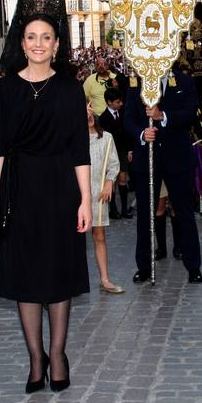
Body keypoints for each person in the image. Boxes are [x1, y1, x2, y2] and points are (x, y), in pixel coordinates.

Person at [0, 0, 91, 394]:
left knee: (58, 275)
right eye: (31, 37)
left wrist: (85, 201)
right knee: (26, 277)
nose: (39, 44)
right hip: (18, 192)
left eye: (47, 37)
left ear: (57, 43)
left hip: (61, 190)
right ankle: (34, 357)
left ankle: (58, 354)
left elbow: (80, 150)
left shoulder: (69, 89)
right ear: (20, 42)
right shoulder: (3, 91)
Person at [125, 60, 202, 284]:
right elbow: (128, 117)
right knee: (144, 215)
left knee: (184, 212)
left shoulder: (184, 81)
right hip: (146, 158)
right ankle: (144, 266)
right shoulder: (136, 83)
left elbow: (190, 113)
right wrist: (141, 133)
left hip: (176, 158)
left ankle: (193, 266)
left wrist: (163, 116)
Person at [86, 102, 123, 294]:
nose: (88, 114)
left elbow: (114, 164)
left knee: (99, 235)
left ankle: (105, 278)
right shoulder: (72, 138)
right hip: (78, 194)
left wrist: (109, 182)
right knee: (72, 240)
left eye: (90, 109)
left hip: (98, 192)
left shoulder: (106, 137)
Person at [98, 87, 133, 219]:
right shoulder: (103, 118)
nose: (121, 104)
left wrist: (130, 149)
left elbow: (128, 133)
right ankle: (113, 210)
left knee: (123, 179)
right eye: (118, 102)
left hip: (122, 150)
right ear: (109, 102)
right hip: (109, 153)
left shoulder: (123, 114)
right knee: (111, 181)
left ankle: (124, 209)